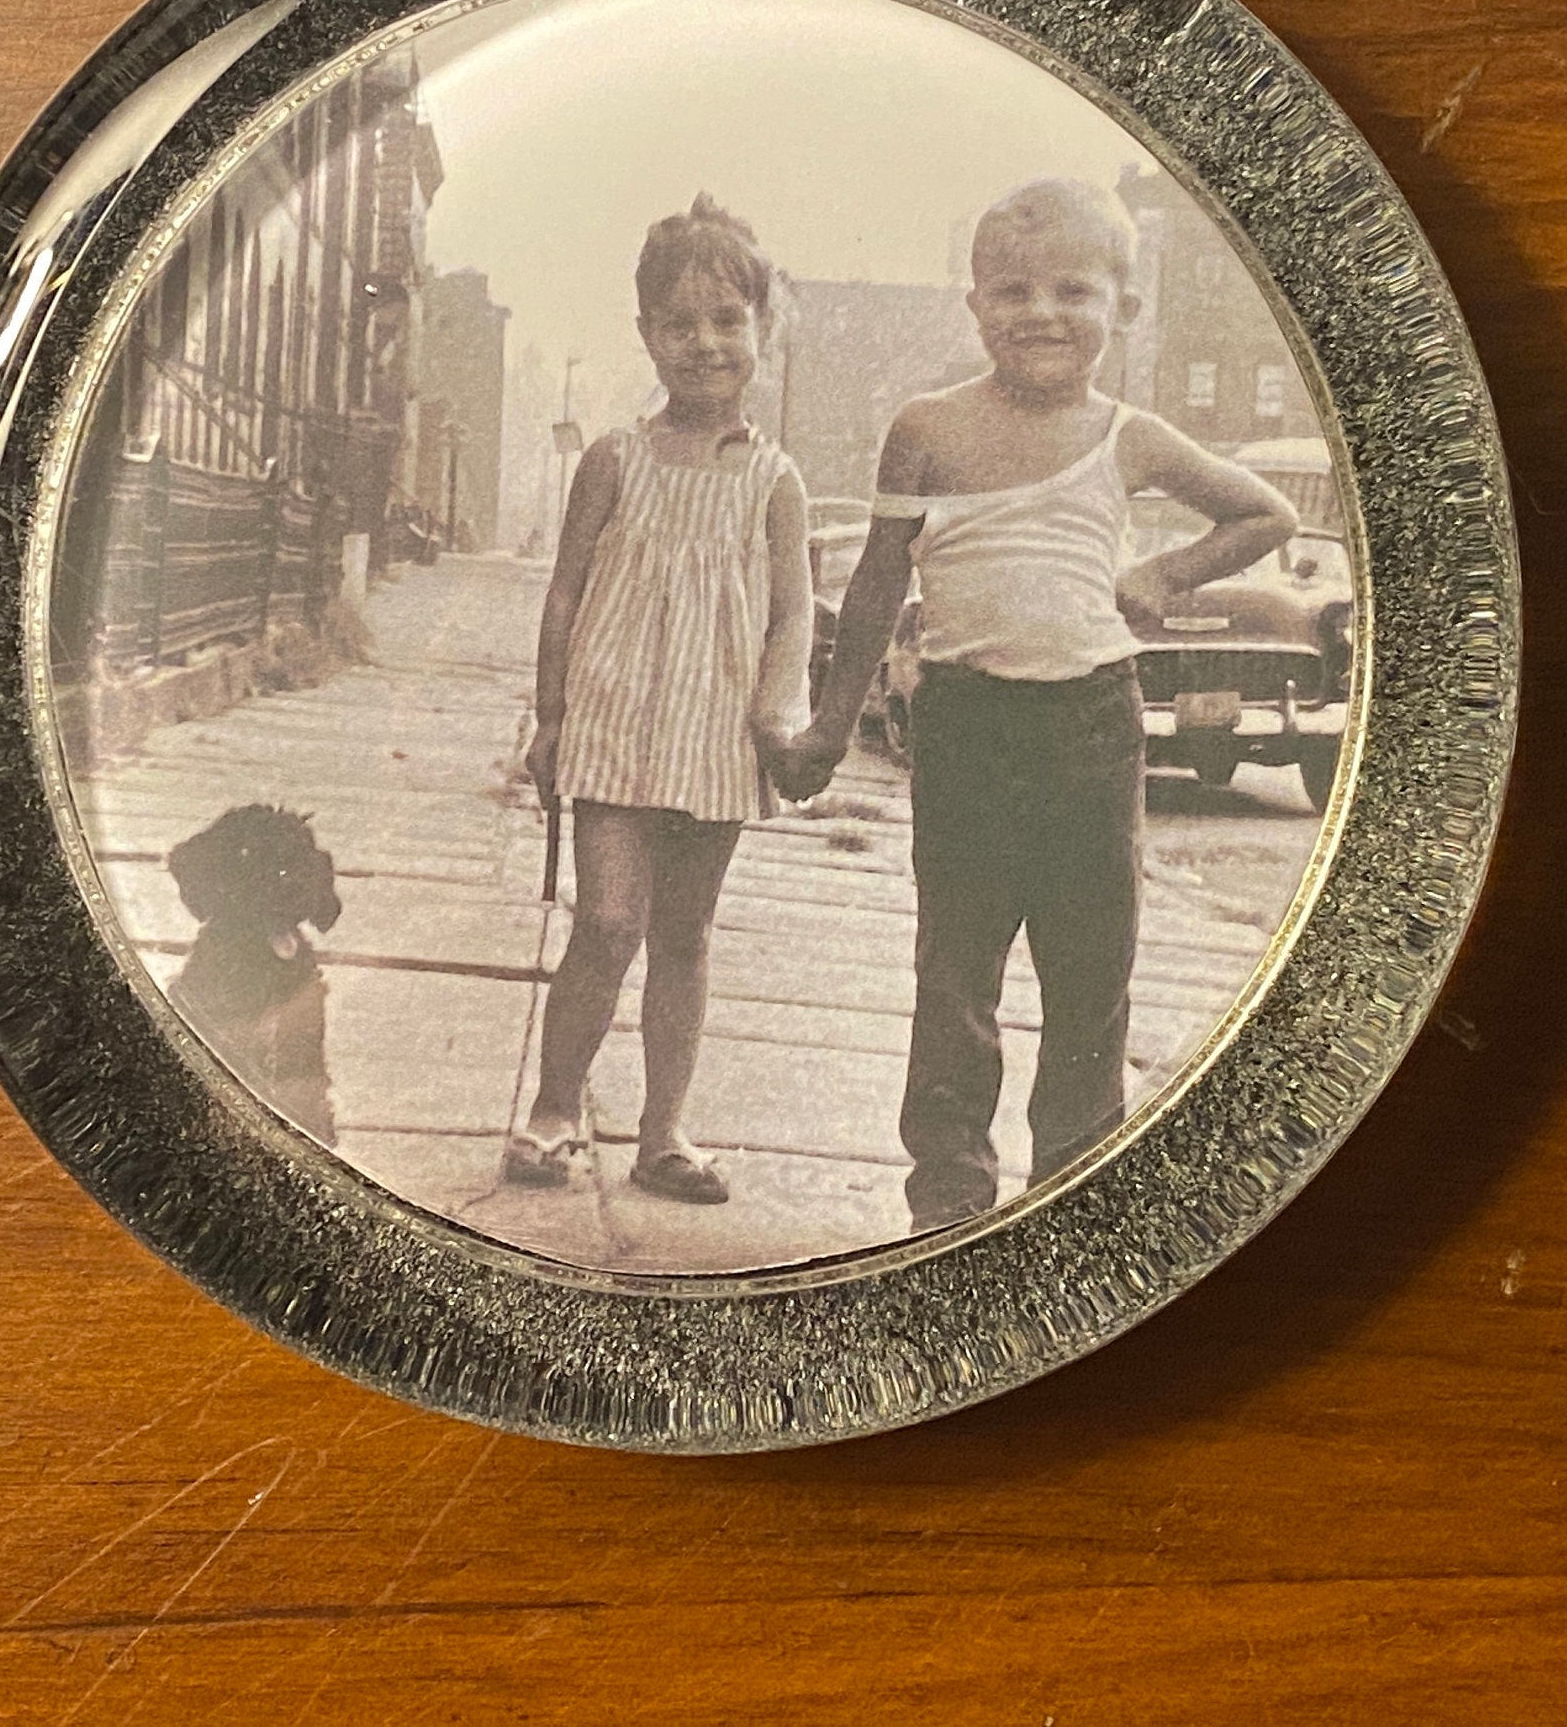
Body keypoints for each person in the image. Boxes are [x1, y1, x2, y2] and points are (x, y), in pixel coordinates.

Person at [787, 178, 1296, 1234]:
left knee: (1090, 976)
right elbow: (880, 582)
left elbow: (1263, 512)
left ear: (1126, 305)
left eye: (1075, 289)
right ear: (973, 305)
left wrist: (1164, 579)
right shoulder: (925, 428)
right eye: (1011, 290)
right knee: (955, 973)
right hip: (968, 725)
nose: (1042, 313)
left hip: (1092, 730)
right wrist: (832, 726)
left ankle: (1069, 1197)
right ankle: (947, 1201)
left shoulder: (1133, 437)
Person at [510, 195, 815, 1205]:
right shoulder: (616, 459)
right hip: (611, 730)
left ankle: (663, 1135)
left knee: (683, 936)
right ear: (646, 334)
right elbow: (564, 592)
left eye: (728, 320)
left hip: (715, 740)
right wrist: (550, 719)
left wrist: (779, 726)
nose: (704, 344)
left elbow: (791, 616)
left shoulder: (775, 480)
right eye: (679, 323)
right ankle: (556, 1108)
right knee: (605, 923)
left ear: (761, 330)